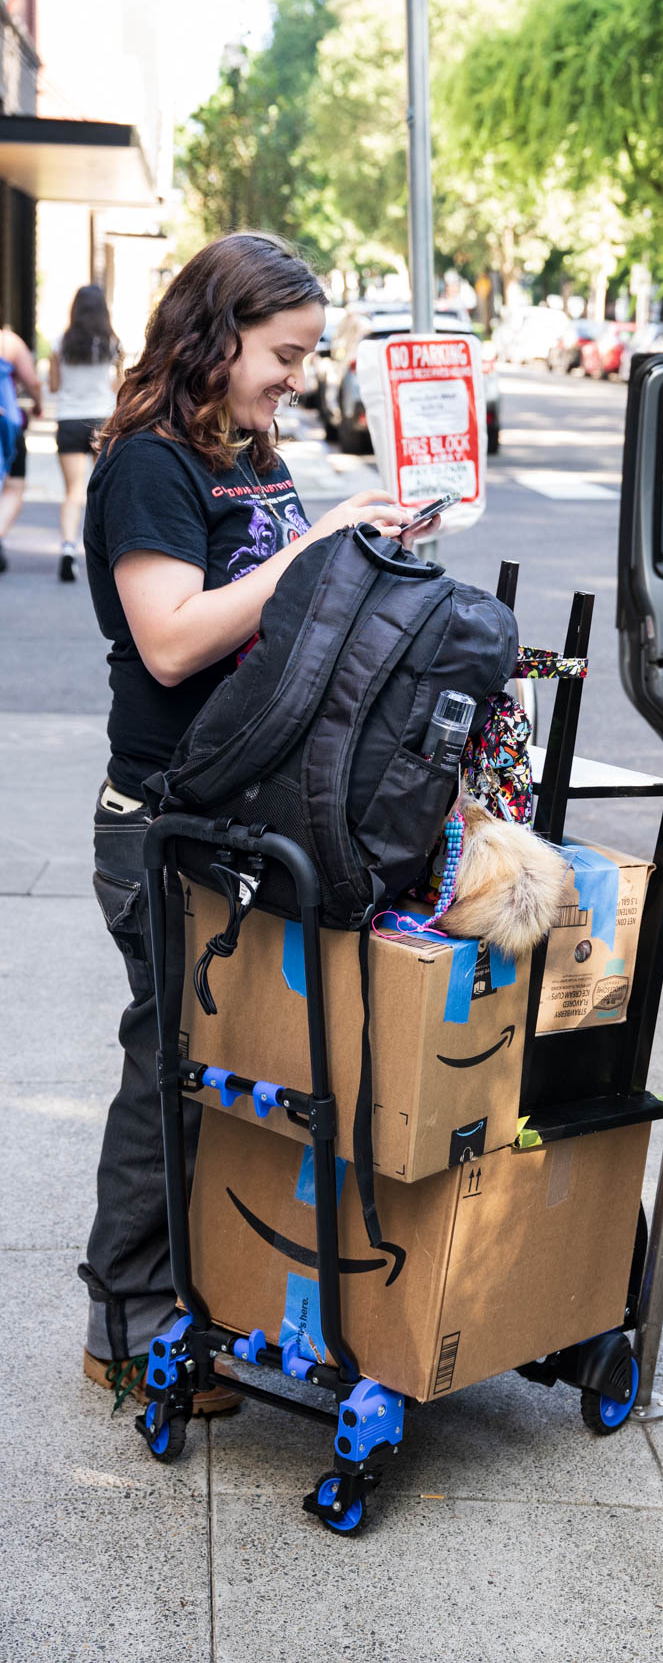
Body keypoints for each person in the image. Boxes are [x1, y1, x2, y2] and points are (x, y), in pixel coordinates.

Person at [79, 231, 440, 1411]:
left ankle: (197, 1286)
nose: (297, 374)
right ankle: (124, 1315)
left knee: (216, 1064)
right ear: (217, 334)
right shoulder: (147, 465)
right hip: (163, 823)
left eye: (308, 355)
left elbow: (282, 605)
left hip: (242, 814)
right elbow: (173, 635)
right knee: (167, 1057)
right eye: (283, 353)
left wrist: (358, 543)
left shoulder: (248, 449)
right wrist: (316, 552)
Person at [48, 285, 123, 581]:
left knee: (73, 491)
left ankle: (68, 548)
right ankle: (109, 555)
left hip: (68, 420)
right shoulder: (112, 343)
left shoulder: (59, 343)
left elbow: (53, 386)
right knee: (103, 490)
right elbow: (118, 387)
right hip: (101, 421)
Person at [0, 322, 44, 574]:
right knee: (15, 484)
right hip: (6, 422)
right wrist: (38, 405)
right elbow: (33, 383)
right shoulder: (9, 342)